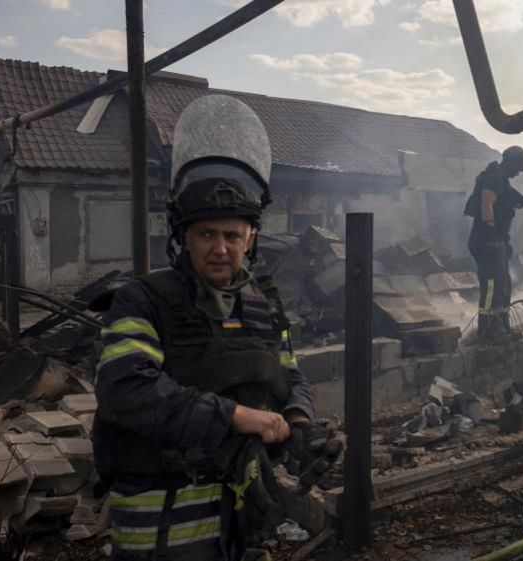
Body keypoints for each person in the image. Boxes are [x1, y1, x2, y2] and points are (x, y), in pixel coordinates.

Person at [92, 95, 335, 561]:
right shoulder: (142, 299)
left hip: (237, 514)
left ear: (251, 239)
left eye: (232, 235)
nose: (220, 248)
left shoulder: (261, 305)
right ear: (184, 237)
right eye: (207, 234)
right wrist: (240, 417)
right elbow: (127, 389)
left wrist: (300, 423)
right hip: (160, 520)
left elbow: (291, 376)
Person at [464, 145, 523, 342]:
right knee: (491, 285)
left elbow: (513, 198)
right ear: (511, 163)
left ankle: (503, 325)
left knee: (504, 283)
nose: (519, 172)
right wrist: (490, 234)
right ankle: (488, 330)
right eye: (519, 168)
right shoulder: (493, 177)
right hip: (486, 239)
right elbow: (486, 204)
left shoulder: (502, 180)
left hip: (496, 239)